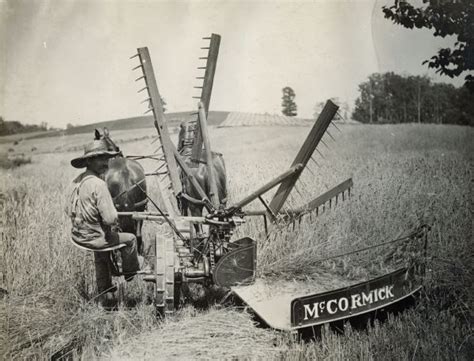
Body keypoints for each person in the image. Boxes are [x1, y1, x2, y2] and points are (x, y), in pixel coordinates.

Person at [66, 138, 141, 301]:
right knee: (130, 239)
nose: (106, 162)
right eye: (100, 159)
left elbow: (68, 209)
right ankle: (130, 273)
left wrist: (90, 218)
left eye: (106, 158)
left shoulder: (75, 182)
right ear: (89, 161)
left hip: (78, 236)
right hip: (96, 238)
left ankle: (104, 288)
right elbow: (110, 219)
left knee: (100, 253)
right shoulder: (98, 184)